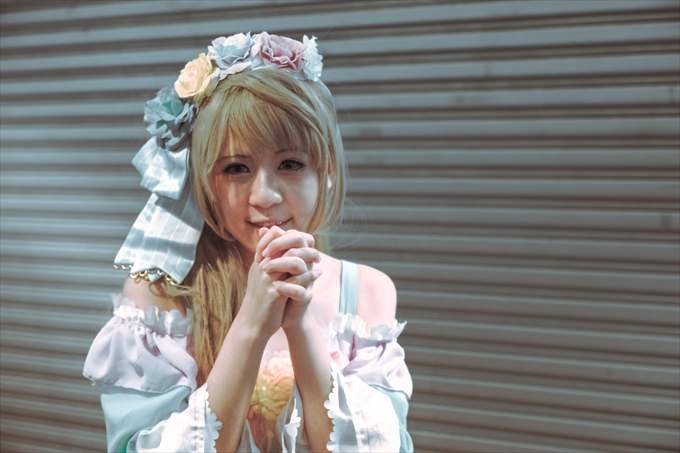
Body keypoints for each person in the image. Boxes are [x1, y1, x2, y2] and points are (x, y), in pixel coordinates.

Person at [82, 31, 413, 453]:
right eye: (236, 168)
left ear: (326, 170)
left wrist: (301, 325)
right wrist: (252, 323)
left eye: (290, 163)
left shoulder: (366, 291)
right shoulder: (159, 299)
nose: (265, 195)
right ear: (203, 178)